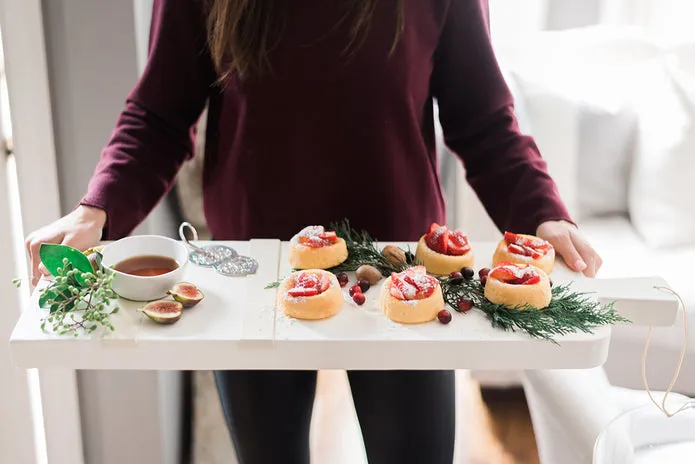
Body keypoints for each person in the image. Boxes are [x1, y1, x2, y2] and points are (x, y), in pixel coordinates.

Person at [25, 0, 602, 462]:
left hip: (403, 275)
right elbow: (159, 114)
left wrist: (541, 214)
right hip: (254, 273)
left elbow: (484, 123)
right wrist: (95, 211)